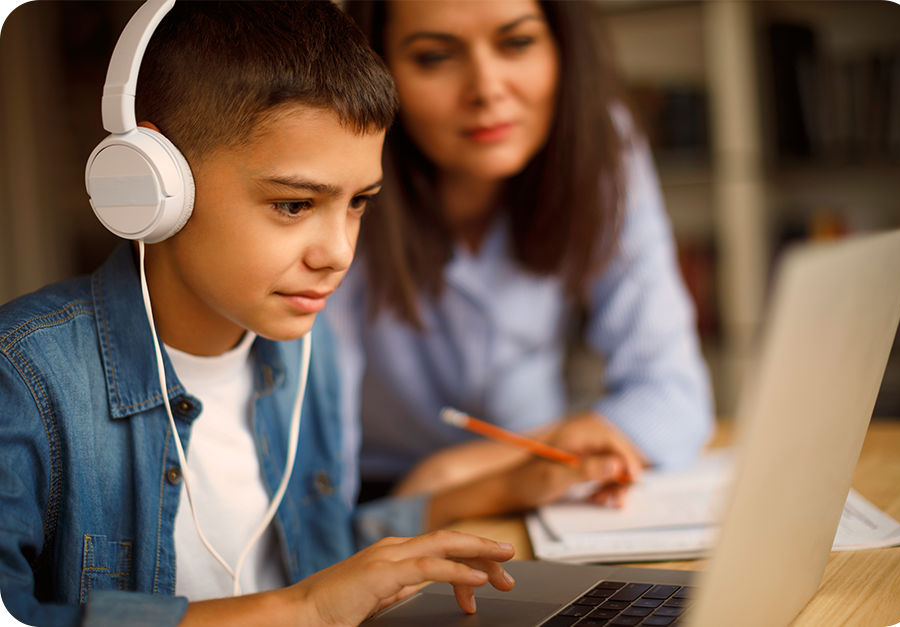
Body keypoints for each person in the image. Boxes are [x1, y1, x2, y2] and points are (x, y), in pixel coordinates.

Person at [0, 1, 518, 625]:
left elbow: (319, 551)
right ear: (152, 184)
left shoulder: (308, 349)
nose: (338, 254)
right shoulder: (23, 378)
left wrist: (500, 490)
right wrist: (305, 610)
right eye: (295, 205)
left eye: (358, 203)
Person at [327, 0, 715, 524]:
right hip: (373, 504)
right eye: (435, 57)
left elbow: (674, 396)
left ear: (562, 47)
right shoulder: (337, 172)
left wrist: (463, 471)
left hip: (536, 485)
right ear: (377, 70)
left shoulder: (601, 143)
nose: (487, 89)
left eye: (517, 43)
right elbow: (319, 490)